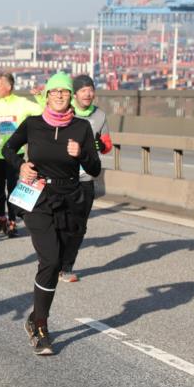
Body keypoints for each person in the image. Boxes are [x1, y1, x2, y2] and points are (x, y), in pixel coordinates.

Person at [3, 72, 102, 355]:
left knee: (60, 260)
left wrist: (81, 154)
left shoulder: (82, 128)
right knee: (50, 259)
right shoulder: (33, 124)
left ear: (71, 97)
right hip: (38, 196)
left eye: (65, 92)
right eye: (55, 91)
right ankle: (41, 328)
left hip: (71, 198)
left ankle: (35, 316)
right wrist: (21, 165)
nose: (60, 95)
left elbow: (94, 168)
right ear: (46, 95)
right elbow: (8, 148)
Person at [59, 74, 113, 281]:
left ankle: (66, 267)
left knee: (79, 226)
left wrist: (101, 145)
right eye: (83, 90)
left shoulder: (99, 116)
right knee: (61, 222)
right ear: (74, 94)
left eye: (90, 90)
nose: (88, 94)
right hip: (63, 177)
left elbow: (107, 145)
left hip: (86, 177)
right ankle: (54, 260)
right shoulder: (65, 112)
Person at [0, 72, 43, 238]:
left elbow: (43, 111)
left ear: (9, 87)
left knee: (12, 189)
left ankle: (12, 221)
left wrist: (39, 97)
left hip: (14, 155)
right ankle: (1, 217)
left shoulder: (22, 103)